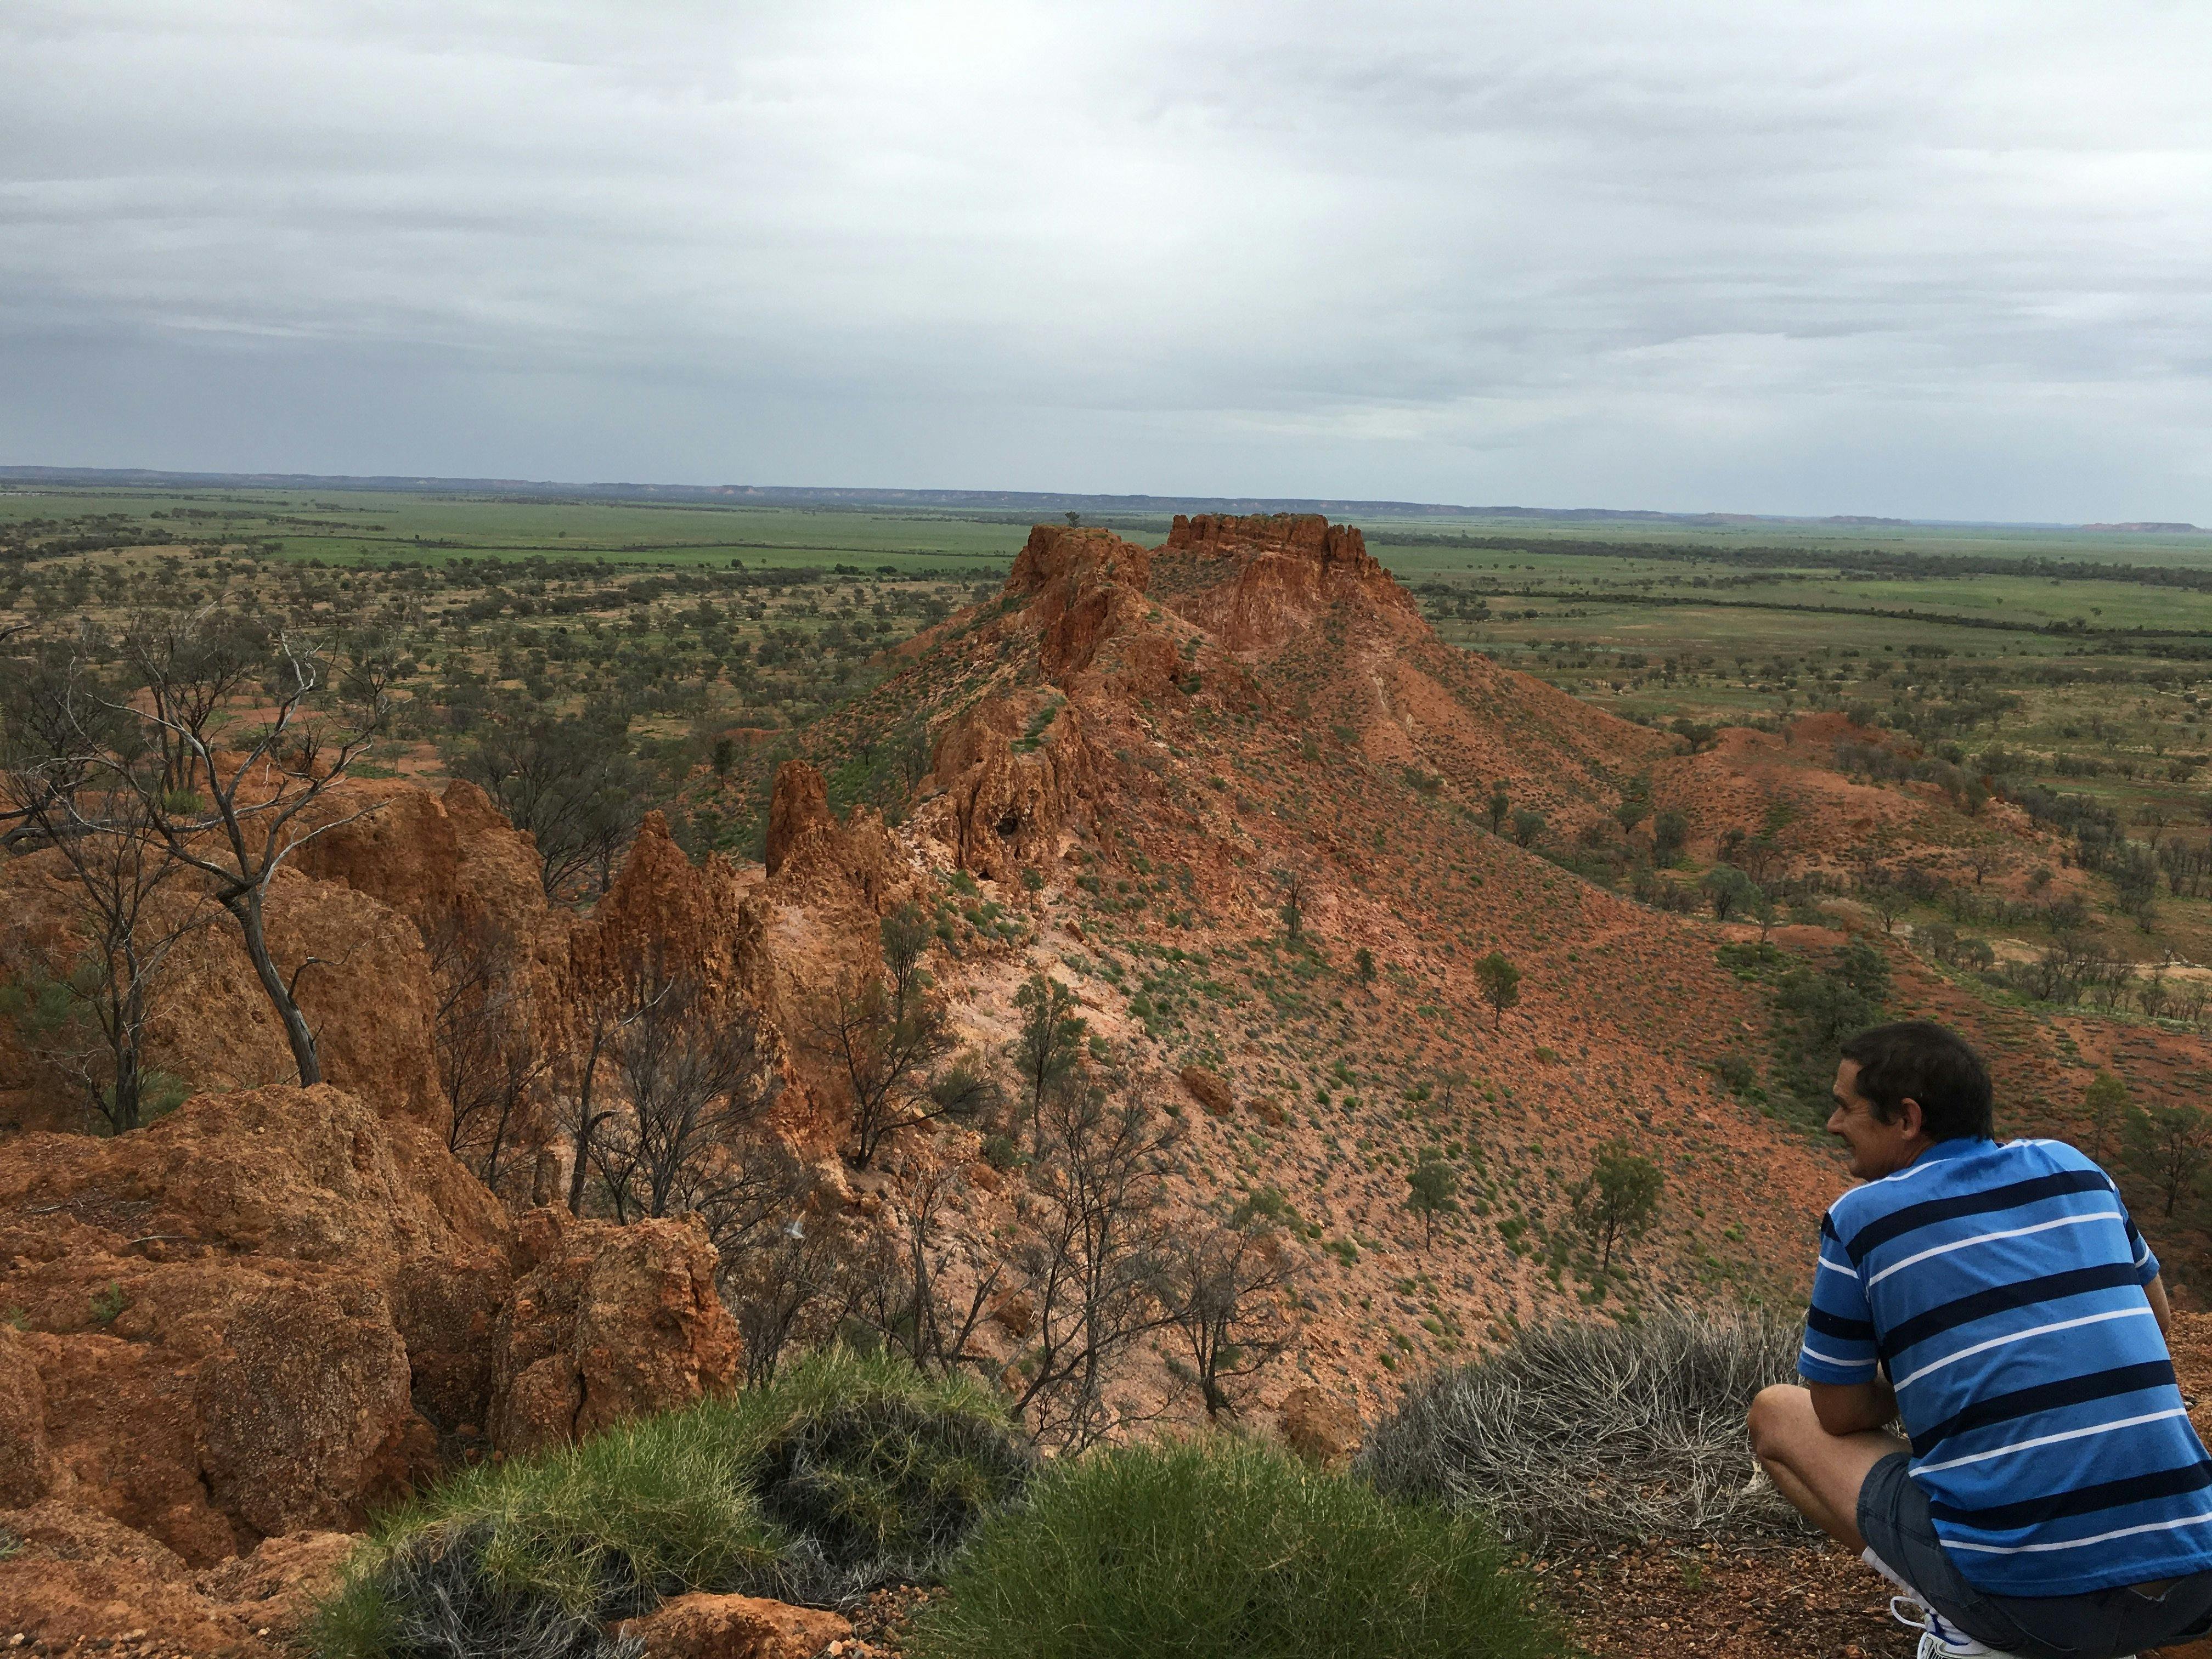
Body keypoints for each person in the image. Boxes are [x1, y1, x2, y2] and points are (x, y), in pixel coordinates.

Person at [1748, 1020, 2212, 1659]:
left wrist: (1927, 1384)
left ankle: (1964, 1620)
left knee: (1776, 1416)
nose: (1833, 1123)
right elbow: (2156, 1320)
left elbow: (1837, 1410)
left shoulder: (1862, 1218)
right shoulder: (2075, 1169)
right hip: (2195, 1589)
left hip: (2025, 1610)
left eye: (1846, 1106)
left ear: (1907, 1118)